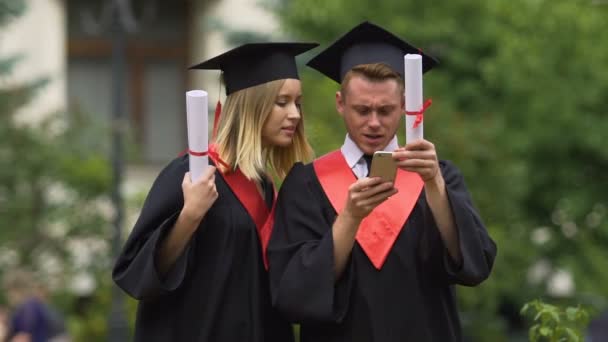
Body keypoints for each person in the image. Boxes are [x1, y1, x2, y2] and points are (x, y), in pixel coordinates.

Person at [267, 21, 497, 342]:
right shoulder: (306, 185)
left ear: (404, 106)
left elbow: (474, 265)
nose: (374, 123)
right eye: (362, 110)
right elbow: (293, 293)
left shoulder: (438, 176)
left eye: (386, 110)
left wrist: (434, 185)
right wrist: (349, 218)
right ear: (340, 104)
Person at [112, 42, 317, 342]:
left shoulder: (267, 186)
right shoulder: (191, 173)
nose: (295, 114)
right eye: (281, 102)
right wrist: (189, 217)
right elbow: (137, 275)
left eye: (297, 103)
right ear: (251, 106)